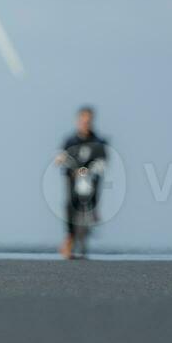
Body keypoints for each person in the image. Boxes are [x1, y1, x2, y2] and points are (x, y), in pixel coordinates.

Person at [54, 105, 110, 260]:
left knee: (90, 203)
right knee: (69, 205)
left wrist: (89, 170)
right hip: (72, 178)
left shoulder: (98, 141)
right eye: (83, 120)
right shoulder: (70, 140)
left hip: (90, 179)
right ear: (78, 121)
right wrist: (61, 159)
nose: (85, 123)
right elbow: (61, 157)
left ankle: (91, 217)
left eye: (88, 120)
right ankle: (70, 237)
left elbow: (103, 161)